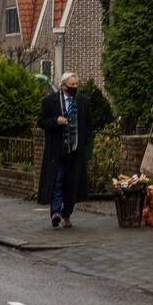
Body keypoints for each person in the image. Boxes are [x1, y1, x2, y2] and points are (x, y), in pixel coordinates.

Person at [37, 72, 93, 229]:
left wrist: (84, 142)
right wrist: (56, 121)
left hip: (75, 151)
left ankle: (66, 214)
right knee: (57, 181)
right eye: (71, 85)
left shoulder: (83, 102)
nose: (74, 87)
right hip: (58, 151)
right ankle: (55, 213)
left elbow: (89, 124)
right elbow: (41, 121)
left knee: (72, 184)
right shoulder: (50, 101)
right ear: (63, 86)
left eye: (76, 84)